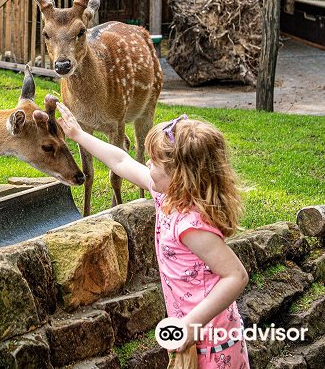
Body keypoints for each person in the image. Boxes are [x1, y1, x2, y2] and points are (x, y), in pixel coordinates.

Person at [56, 103, 250, 369]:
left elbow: (236, 275)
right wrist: (78, 134)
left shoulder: (191, 225)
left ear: (180, 175)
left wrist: (191, 325)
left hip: (213, 345)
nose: (146, 163)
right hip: (190, 337)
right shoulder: (166, 193)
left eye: (155, 161)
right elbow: (121, 161)